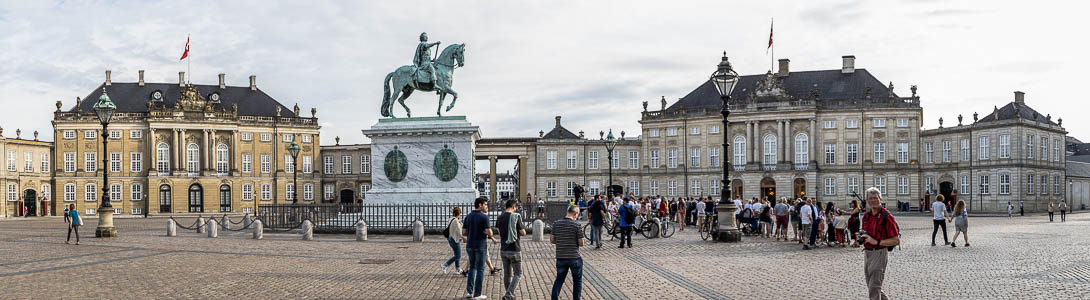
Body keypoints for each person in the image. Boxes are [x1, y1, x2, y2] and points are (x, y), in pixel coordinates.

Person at [860, 187, 900, 300]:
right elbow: (866, 232)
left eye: (875, 198)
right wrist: (862, 236)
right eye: (870, 198)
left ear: (880, 198)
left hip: (879, 253)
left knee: (874, 286)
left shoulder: (887, 216)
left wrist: (876, 241)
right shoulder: (866, 216)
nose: (873, 200)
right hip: (867, 253)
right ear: (867, 201)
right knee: (872, 286)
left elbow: (896, 240)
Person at [462, 197, 498, 299]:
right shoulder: (484, 217)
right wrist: (488, 233)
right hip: (480, 245)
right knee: (480, 269)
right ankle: (477, 294)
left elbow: (463, 232)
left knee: (472, 268)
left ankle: (469, 292)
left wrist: (472, 231)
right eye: (485, 204)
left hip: (470, 245)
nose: (487, 207)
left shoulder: (468, 217)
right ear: (480, 205)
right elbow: (490, 232)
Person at [550, 205, 585, 300]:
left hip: (561, 257)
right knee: (577, 281)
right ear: (575, 214)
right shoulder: (577, 225)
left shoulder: (556, 223)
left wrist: (562, 241)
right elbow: (581, 243)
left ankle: (554, 298)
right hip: (574, 257)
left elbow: (552, 240)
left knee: (559, 280)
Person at [497, 200, 527, 300]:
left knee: (507, 274)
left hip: (504, 249)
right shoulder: (516, 217)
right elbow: (522, 232)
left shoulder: (500, 217)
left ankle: (509, 295)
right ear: (514, 207)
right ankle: (509, 294)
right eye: (516, 207)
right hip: (515, 249)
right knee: (518, 273)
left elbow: (498, 231)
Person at [442, 207, 463, 274]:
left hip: (450, 239)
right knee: (458, 255)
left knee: (456, 254)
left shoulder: (451, 219)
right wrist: (463, 238)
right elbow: (459, 232)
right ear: (459, 213)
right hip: (455, 239)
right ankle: (445, 265)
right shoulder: (456, 221)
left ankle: (458, 269)